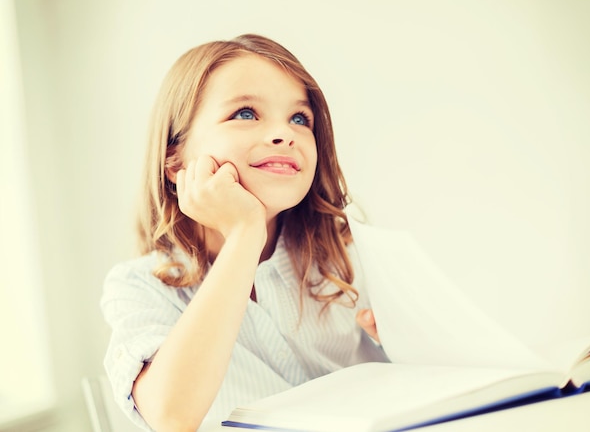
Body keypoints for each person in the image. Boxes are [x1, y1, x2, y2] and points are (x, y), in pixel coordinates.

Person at [101, 34, 386, 432]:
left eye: (299, 119)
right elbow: (171, 415)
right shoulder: (139, 287)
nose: (284, 134)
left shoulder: (350, 257)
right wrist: (244, 234)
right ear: (174, 159)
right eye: (246, 114)